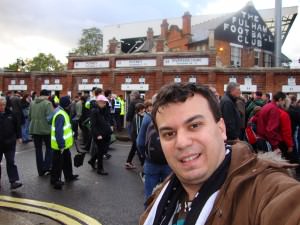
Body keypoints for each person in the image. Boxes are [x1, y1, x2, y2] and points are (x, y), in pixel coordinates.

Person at [140, 83, 300, 225]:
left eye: (194, 125)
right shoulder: (159, 198)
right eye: (169, 133)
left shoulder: (265, 191)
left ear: (221, 129)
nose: (182, 143)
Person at [50, 96, 78, 189]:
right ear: (66, 105)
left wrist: (71, 133)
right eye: (69, 104)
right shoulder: (61, 115)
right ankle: (55, 180)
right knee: (57, 163)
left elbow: (65, 128)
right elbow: (59, 132)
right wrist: (61, 145)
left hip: (64, 145)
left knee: (67, 161)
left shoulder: (63, 113)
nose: (70, 105)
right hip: (60, 145)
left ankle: (69, 176)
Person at [0, 96, 23, 190]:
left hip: (10, 142)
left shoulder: (11, 114)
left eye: (3, 104)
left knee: (11, 162)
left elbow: (17, 125)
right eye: (0, 105)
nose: (2, 106)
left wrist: (19, 137)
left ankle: (13, 181)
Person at [29, 89, 53, 176]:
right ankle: (46, 167)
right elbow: (50, 118)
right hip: (45, 129)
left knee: (38, 150)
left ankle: (40, 171)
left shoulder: (32, 103)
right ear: (47, 95)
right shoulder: (47, 103)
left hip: (35, 129)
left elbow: (29, 116)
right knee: (49, 148)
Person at [89, 95, 112, 175]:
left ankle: (92, 161)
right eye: (103, 102)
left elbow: (106, 119)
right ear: (98, 102)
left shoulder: (103, 109)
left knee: (102, 150)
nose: (104, 104)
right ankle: (100, 169)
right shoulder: (94, 111)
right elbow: (93, 125)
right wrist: (98, 134)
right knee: (101, 151)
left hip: (105, 133)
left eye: (105, 103)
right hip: (99, 134)